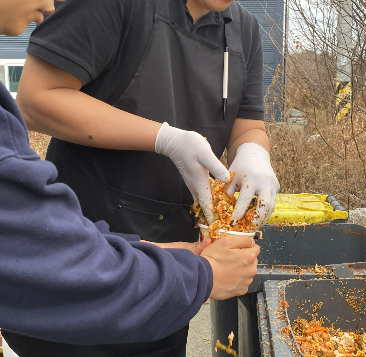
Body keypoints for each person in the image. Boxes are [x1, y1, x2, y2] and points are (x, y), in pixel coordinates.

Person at [11, 0, 280, 354]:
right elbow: (37, 99)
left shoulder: (243, 28)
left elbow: (249, 125)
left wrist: (254, 152)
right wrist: (163, 138)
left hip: (173, 273)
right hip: (85, 262)